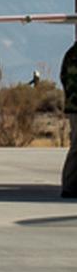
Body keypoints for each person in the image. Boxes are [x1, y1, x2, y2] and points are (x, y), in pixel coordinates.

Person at [61, 39, 77, 198]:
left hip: (73, 105)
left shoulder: (70, 53)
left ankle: (70, 185)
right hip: (75, 107)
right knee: (76, 147)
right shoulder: (72, 54)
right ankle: (69, 186)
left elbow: (63, 77)